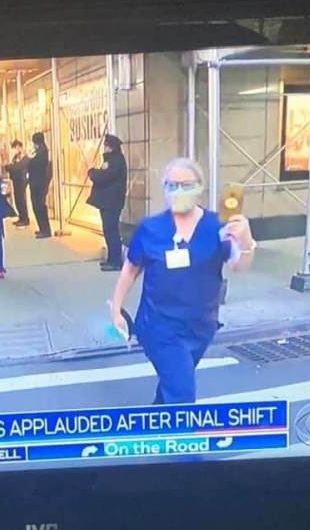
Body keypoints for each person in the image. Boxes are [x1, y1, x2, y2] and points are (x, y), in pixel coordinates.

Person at [109, 158, 256, 405]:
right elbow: (130, 269)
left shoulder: (218, 226)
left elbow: (237, 265)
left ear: (200, 187)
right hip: (159, 326)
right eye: (171, 185)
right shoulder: (151, 228)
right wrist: (116, 310)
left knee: (173, 384)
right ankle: (178, 440)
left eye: (186, 185)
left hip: (200, 326)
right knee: (182, 393)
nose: (178, 191)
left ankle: (155, 424)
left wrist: (246, 239)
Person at [87, 134, 128, 271]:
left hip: (112, 202)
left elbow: (104, 177)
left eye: (105, 145)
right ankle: (112, 258)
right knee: (108, 230)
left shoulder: (115, 161)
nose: (103, 147)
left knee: (111, 230)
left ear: (110, 147)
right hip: (107, 201)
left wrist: (92, 173)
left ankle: (116, 261)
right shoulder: (112, 160)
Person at [28, 131, 52, 238]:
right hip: (36, 183)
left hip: (39, 184)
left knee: (39, 207)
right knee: (37, 206)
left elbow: (34, 164)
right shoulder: (40, 151)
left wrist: (29, 159)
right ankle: (42, 228)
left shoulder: (42, 152)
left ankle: (45, 230)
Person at [6, 140, 30, 227]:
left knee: (21, 199)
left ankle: (25, 218)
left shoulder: (25, 157)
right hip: (16, 180)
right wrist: (10, 167)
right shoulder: (16, 156)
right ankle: (21, 217)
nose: (14, 150)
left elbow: (18, 167)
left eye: (15, 147)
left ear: (19, 146)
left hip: (21, 180)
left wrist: (10, 167)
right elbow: (12, 166)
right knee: (17, 199)